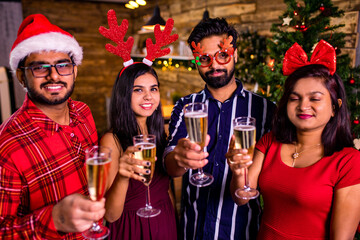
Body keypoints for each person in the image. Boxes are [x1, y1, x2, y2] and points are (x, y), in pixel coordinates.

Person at [229, 40, 360, 239]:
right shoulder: (270, 141)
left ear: (335, 106)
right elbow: (241, 198)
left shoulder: (349, 161)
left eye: (315, 98)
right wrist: (239, 172)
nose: (303, 106)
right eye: (294, 98)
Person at [164, 17, 276, 239]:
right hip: (193, 229)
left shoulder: (264, 109)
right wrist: (179, 157)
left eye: (222, 55)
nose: (214, 65)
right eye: (204, 59)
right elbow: (169, 165)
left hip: (241, 231)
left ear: (234, 54)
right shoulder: (186, 106)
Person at [0, 14, 105, 238]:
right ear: (21, 75)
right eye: (40, 68)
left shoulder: (84, 112)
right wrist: (55, 219)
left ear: (74, 70)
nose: (54, 75)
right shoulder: (6, 147)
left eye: (63, 65)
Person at [98, 9, 178, 240]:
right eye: (138, 90)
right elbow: (110, 215)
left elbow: (165, 191)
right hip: (131, 228)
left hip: (165, 222)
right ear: (124, 95)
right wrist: (123, 176)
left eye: (153, 89)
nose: (148, 97)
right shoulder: (111, 141)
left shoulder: (160, 131)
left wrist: (175, 221)